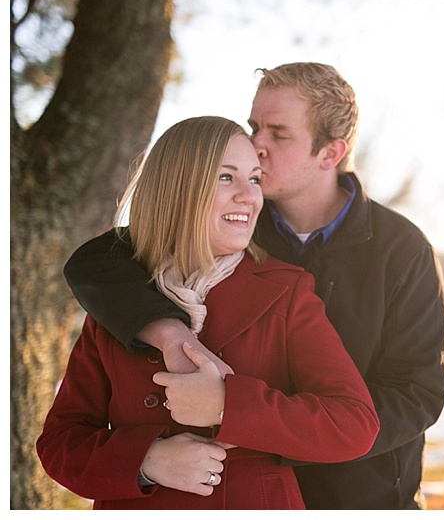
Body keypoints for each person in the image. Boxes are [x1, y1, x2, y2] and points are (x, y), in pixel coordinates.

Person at [63, 62, 444, 509]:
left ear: (330, 153)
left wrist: (266, 431)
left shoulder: (401, 249)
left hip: (358, 492)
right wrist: (168, 332)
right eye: (254, 126)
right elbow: (99, 260)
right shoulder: (230, 223)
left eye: (278, 134)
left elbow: (417, 392)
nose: (256, 145)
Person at [38, 116, 379, 509]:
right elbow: (61, 443)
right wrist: (148, 462)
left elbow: (353, 424)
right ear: (178, 188)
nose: (250, 197)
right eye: (226, 177)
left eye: (254, 179)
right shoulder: (117, 299)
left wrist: (226, 404)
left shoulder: (287, 291)